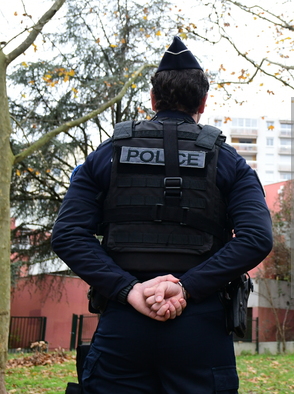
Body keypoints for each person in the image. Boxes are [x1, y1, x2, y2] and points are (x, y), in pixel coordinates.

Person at [51, 36, 273, 394]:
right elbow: (257, 238)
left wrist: (129, 290)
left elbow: (67, 234)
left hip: (123, 323)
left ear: (153, 100)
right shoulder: (230, 161)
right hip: (199, 327)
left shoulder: (106, 155)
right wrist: (185, 288)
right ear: (202, 102)